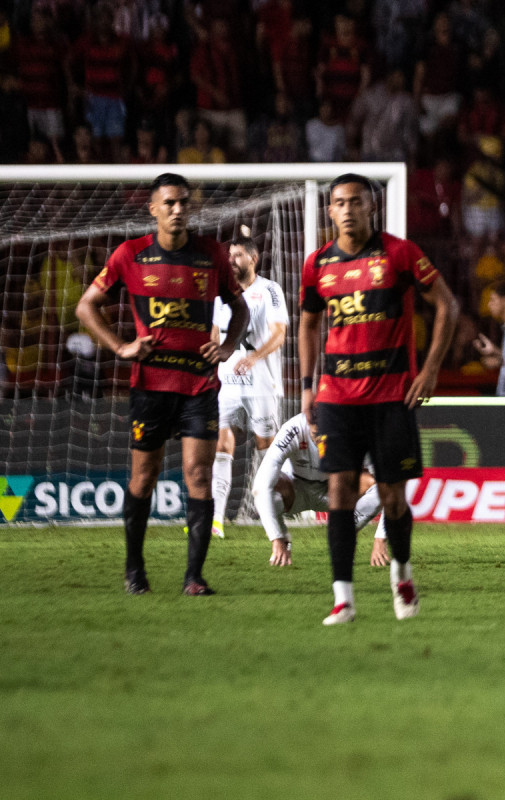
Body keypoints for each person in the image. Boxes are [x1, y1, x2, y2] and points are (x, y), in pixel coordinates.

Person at [75, 173, 249, 596]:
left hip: (199, 386)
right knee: (144, 476)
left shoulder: (211, 255)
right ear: (152, 208)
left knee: (199, 476)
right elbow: (86, 306)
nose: (177, 209)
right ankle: (134, 570)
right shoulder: (130, 255)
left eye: (183, 203)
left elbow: (239, 308)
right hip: (151, 386)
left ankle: (194, 577)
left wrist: (227, 348)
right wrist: (120, 346)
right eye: (169, 203)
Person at [297, 174, 459, 625]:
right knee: (339, 492)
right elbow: (308, 324)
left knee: (392, 500)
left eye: (356, 202)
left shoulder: (400, 254)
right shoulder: (318, 265)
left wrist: (429, 371)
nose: (347, 210)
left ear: (372, 208)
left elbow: (448, 305)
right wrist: (308, 386)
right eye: (339, 203)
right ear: (330, 211)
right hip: (337, 399)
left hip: (391, 397)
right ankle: (343, 599)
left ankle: (402, 575)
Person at [209, 232, 288, 539]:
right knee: (221, 443)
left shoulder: (269, 290)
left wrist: (255, 357)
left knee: (266, 448)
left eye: (238, 255)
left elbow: (279, 334)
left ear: (253, 259)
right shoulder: (221, 293)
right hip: (227, 383)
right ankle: (216, 519)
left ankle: (280, 509)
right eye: (229, 256)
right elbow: (215, 333)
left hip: (261, 384)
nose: (232, 261)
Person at [252, 412, 391, 568]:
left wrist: (380, 538)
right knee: (266, 491)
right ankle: (285, 539)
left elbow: (390, 485)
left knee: (379, 487)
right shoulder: (292, 429)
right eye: (315, 432)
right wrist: (276, 537)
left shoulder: (354, 432)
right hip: (296, 491)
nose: (320, 439)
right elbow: (261, 485)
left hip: (337, 492)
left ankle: (345, 533)